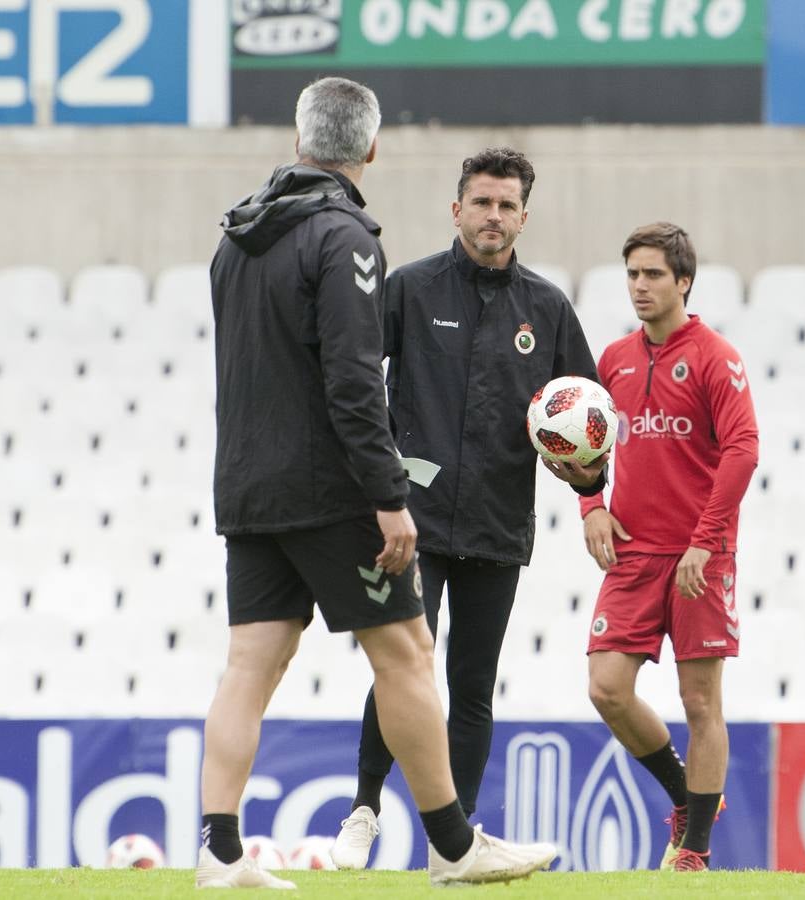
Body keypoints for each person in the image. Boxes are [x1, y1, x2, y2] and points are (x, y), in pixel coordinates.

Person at [198, 78, 555, 889]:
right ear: (371, 148)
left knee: (248, 665)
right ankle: (456, 847)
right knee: (407, 653)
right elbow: (356, 385)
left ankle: (218, 853)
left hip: (247, 487)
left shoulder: (235, 238)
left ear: (299, 142)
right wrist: (391, 499)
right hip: (328, 489)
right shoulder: (347, 237)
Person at [331, 147, 606, 868]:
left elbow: (586, 419)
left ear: (524, 216)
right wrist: (374, 483)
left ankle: (455, 841)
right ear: (457, 209)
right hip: (408, 521)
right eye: (481, 203)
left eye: (506, 205)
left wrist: (589, 490)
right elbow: (355, 380)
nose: (493, 216)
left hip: (496, 521)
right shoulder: (410, 288)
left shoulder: (546, 308)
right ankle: (363, 807)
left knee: (472, 686)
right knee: (402, 667)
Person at [576, 223, 758, 872]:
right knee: (606, 688)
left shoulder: (715, 357)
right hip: (631, 554)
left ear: (683, 281)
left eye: (653, 274)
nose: (640, 286)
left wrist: (705, 544)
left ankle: (697, 852)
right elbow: (585, 444)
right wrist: (592, 506)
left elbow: (743, 452)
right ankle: (683, 795)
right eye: (632, 274)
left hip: (699, 559)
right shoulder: (614, 360)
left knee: (701, 702)